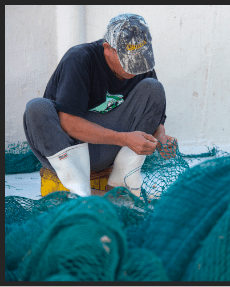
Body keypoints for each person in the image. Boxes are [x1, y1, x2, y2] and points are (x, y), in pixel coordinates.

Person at [23, 13, 175, 197]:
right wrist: (124, 138)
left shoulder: (141, 66)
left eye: (140, 61)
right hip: (68, 151)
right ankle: (79, 192)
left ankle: (122, 182)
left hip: (107, 151)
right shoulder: (79, 59)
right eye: (129, 63)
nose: (135, 70)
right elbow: (69, 123)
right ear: (107, 49)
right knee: (36, 108)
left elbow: (152, 116)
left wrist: (161, 138)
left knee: (154, 88)